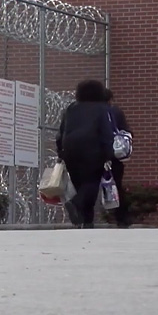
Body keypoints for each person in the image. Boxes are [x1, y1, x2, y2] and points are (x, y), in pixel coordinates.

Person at [57, 79, 114, 229]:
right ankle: (76, 204)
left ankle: (86, 220)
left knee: (80, 183)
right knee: (91, 183)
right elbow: (106, 133)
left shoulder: (71, 108)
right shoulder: (102, 109)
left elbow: (62, 131)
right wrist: (109, 153)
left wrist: (60, 151)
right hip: (92, 149)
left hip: (70, 149)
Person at [104, 88, 133, 228]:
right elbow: (126, 131)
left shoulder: (88, 112)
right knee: (116, 185)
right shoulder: (115, 112)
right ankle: (121, 218)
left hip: (94, 155)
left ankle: (87, 215)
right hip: (114, 155)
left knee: (89, 185)